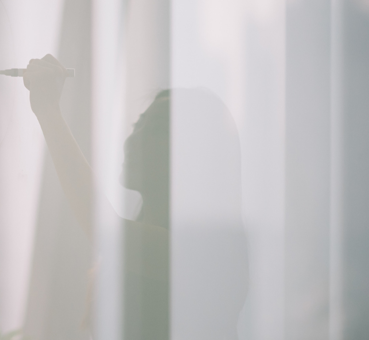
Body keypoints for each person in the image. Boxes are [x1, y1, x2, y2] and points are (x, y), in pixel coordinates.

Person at [22, 54, 248, 339]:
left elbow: (104, 229)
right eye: (137, 126)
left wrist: (48, 110)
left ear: (193, 154)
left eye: (153, 129)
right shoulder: (131, 254)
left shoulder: (212, 248)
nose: (132, 140)